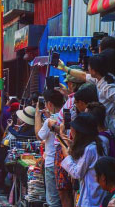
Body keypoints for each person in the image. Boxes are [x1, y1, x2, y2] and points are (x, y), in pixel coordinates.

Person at [52, 66, 85, 207]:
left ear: (72, 84)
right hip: (67, 144)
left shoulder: (74, 102)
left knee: (65, 189)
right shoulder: (73, 100)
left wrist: (53, 127)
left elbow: (67, 125)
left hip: (65, 145)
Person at [57, 55, 115, 135]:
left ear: (94, 70)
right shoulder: (99, 79)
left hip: (110, 126)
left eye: (89, 66)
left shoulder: (108, 87)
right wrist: (64, 68)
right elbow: (83, 76)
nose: (87, 69)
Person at [60, 112, 107, 207]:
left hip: (91, 197)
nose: (72, 130)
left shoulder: (90, 149)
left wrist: (66, 155)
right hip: (95, 195)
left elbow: (76, 173)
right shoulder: (99, 143)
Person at [35, 89, 64, 207]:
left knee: (53, 200)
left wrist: (37, 115)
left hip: (52, 163)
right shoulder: (64, 117)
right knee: (63, 198)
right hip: (64, 161)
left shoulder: (49, 121)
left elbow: (38, 136)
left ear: (50, 104)